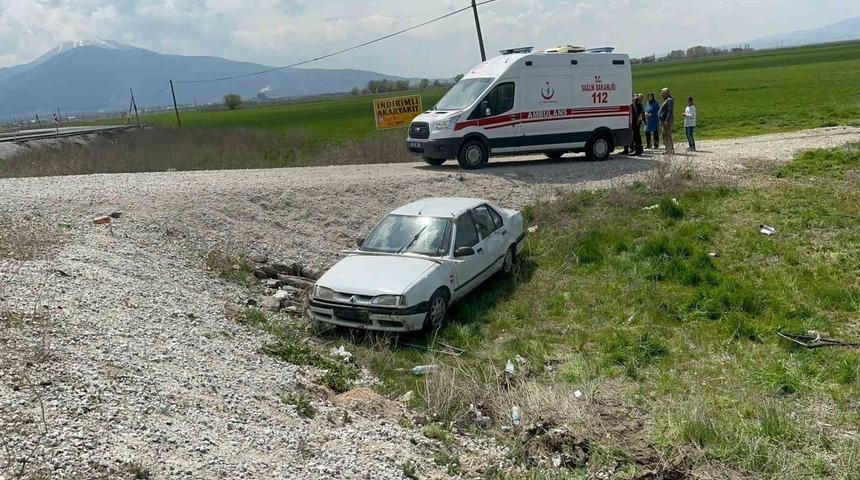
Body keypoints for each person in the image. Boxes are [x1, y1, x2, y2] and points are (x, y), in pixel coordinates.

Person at [658, 87, 675, 154]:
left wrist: (667, 120)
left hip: (667, 121)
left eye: (662, 93)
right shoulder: (666, 100)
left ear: (666, 93)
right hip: (663, 121)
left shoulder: (669, 100)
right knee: (664, 135)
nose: (661, 94)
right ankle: (669, 149)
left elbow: (670, 111)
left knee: (666, 134)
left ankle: (669, 149)